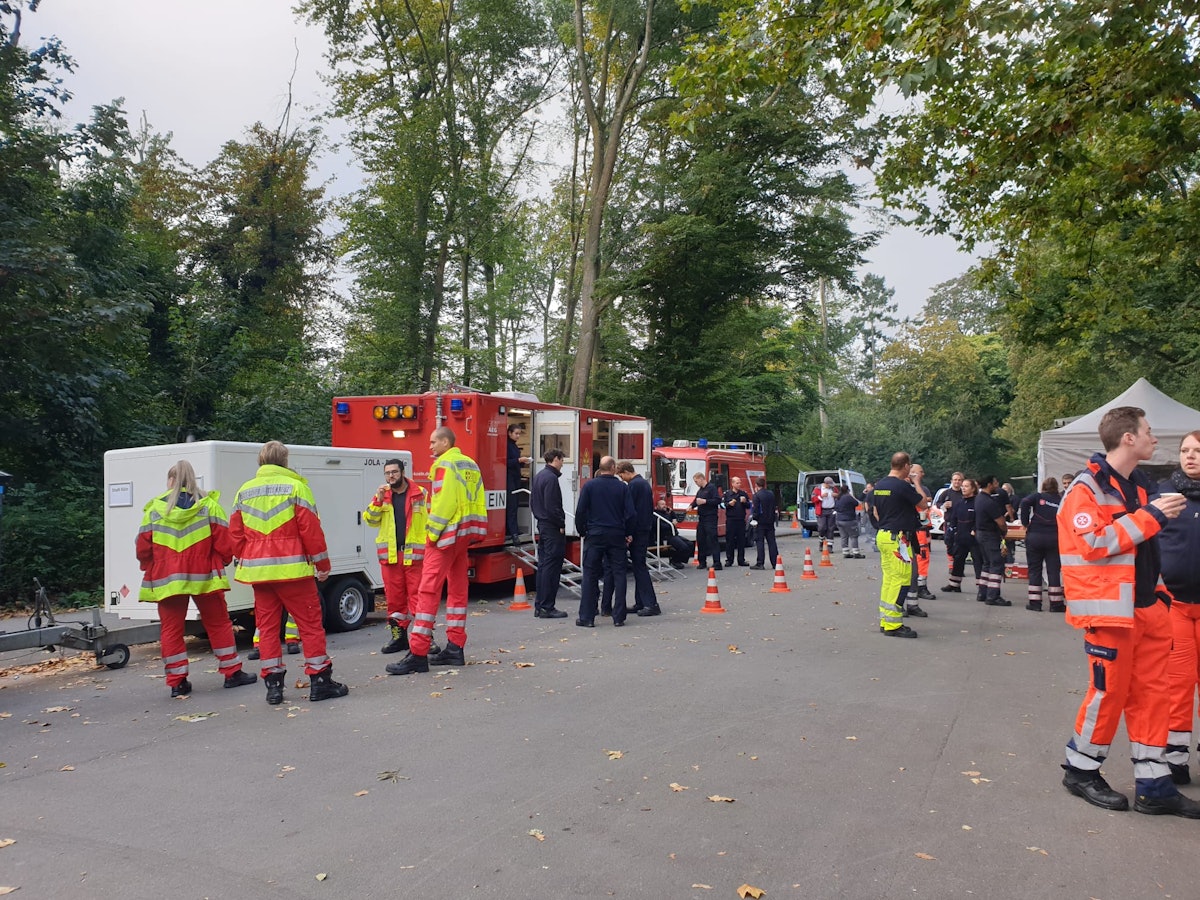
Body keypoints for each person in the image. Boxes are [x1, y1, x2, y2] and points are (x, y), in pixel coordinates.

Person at [1058, 406, 1200, 817]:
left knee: (1154, 696)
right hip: (1110, 615)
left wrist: (1160, 597)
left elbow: (1145, 552)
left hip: (1146, 609)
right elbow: (1094, 544)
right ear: (1129, 438)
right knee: (1109, 695)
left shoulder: (1137, 486)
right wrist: (1151, 515)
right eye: (1149, 431)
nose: (1155, 439)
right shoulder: (1086, 489)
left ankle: (1154, 785)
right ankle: (1080, 771)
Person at [230, 441, 348, 704]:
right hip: (293, 571)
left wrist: (249, 557)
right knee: (310, 626)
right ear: (284, 460)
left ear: (261, 461)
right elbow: (311, 532)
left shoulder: (243, 491)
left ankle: (273, 687)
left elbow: (236, 535)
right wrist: (323, 565)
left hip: (260, 574)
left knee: (267, 629)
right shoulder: (297, 487)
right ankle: (319, 681)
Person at [135, 461, 257, 699]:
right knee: (218, 624)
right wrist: (222, 561)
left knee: (171, 629)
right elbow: (225, 543)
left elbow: (142, 548)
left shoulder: (154, 510)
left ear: (170, 481)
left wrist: (151, 566)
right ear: (193, 480)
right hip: (205, 576)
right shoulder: (209, 506)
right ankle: (232, 673)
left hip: (168, 578)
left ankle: (177, 682)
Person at [386, 427, 488, 675]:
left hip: (445, 537)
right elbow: (477, 499)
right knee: (458, 590)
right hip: (464, 535)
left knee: (427, 590)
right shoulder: (470, 464)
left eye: (433, 442)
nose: (430, 446)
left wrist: (431, 535)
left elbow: (444, 504)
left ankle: (418, 652)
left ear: (445, 442)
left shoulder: (444, 465)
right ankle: (455, 647)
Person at [1159, 431, 1200, 784]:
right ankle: (1175, 758)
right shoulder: (1163, 494)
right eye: (1185, 450)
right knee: (1178, 683)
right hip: (1174, 605)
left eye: (1197, 451)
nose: (1190, 456)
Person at [364, 457, 429, 652]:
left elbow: (432, 520)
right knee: (394, 600)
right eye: (387, 473)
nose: (391, 476)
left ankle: (425, 639)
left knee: (419, 599)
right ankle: (398, 638)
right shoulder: (382, 496)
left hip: (414, 557)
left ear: (402, 473)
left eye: (394, 472)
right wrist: (377, 500)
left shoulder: (420, 493)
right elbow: (370, 520)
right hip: (391, 557)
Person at [574, 456, 635, 627]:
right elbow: (631, 513)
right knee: (619, 574)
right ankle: (619, 617)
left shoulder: (589, 486)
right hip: (616, 535)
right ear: (613, 467)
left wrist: (583, 531)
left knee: (590, 574)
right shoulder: (622, 488)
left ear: (600, 468)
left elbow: (580, 511)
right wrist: (628, 533)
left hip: (595, 534)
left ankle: (587, 617)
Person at [872, 452, 927, 637]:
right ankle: (893, 625)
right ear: (906, 466)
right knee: (901, 580)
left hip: (884, 535)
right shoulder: (902, 486)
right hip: (898, 539)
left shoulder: (880, 485)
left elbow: (875, 511)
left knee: (889, 579)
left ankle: (886, 620)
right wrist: (916, 482)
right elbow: (924, 504)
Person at [617, 460, 661, 616]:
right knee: (638, 566)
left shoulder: (634, 485)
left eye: (621, 476)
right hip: (644, 528)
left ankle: (650, 603)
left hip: (638, 530)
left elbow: (631, 511)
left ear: (626, 472)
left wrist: (628, 532)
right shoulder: (643, 483)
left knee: (640, 567)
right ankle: (641, 601)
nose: (622, 479)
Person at [529, 448, 569, 619]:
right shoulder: (551, 479)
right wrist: (561, 523)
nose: (563, 464)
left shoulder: (539, 476)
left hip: (543, 525)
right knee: (552, 567)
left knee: (544, 566)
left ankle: (540, 605)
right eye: (562, 460)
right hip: (552, 527)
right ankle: (547, 606)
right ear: (556, 459)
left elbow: (533, 502)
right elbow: (553, 505)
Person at [1019, 477, 1064, 613]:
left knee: (1034, 570)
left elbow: (1024, 502)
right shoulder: (1061, 500)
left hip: (1035, 536)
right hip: (1054, 538)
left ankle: (1035, 603)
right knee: (1053, 571)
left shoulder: (1037, 497)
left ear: (1043, 487)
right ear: (1056, 487)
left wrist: (1025, 522)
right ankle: (1056, 603)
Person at [974, 475, 1011, 606]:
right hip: (990, 535)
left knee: (986, 564)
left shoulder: (979, 498)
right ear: (989, 484)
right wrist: (1004, 531)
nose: (997, 485)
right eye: (995, 483)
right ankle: (993, 596)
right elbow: (1001, 522)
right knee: (996, 564)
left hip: (980, 534)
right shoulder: (989, 502)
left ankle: (982, 593)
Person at [942, 478, 982, 594]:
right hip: (960, 536)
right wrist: (951, 532)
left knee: (978, 561)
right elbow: (953, 519)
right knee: (958, 560)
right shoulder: (959, 502)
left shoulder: (977, 502)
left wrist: (975, 529)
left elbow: (980, 518)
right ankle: (954, 584)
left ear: (973, 489)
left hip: (973, 537)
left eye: (966, 486)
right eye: (963, 486)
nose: (963, 488)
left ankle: (982, 588)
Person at [908, 464, 936, 602]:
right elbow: (922, 504)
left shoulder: (922, 488)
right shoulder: (910, 489)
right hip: (916, 530)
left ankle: (919, 586)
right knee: (920, 558)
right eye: (920, 472)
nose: (923, 474)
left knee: (923, 558)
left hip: (923, 529)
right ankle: (920, 587)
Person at [688, 471, 722, 571]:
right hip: (702, 518)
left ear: (701, 479)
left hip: (710, 517)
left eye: (696, 481)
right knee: (701, 539)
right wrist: (691, 506)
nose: (696, 483)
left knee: (712, 539)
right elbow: (696, 500)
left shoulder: (711, 488)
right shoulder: (700, 490)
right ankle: (702, 561)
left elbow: (717, 500)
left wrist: (705, 501)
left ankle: (717, 563)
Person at [505, 424, 531, 544]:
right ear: (509, 433)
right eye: (516, 433)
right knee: (511, 505)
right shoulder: (506, 445)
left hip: (515, 478)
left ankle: (513, 529)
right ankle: (513, 532)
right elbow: (505, 462)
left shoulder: (514, 446)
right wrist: (518, 460)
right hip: (509, 479)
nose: (518, 436)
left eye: (519, 434)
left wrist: (523, 462)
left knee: (515, 505)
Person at [750, 477, 779, 570]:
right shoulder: (771, 494)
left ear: (756, 485)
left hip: (760, 522)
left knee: (760, 542)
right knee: (772, 542)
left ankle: (760, 563)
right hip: (770, 521)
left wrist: (754, 519)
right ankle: (775, 562)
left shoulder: (757, 496)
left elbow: (756, 510)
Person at [653, 500, 693, 568]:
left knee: (690, 544)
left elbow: (676, 519)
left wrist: (672, 512)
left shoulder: (667, 513)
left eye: (665, 504)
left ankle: (679, 560)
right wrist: (671, 524)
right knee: (683, 547)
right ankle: (675, 561)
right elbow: (661, 527)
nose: (664, 506)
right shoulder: (656, 515)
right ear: (657, 506)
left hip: (674, 534)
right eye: (662, 504)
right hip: (666, 536)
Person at [722, 476, 750, 567]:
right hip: (731, 520)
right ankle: (729, 560)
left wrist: (745, 502)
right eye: (737, 483)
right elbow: (722, 505)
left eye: (740, 482)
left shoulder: (743, 494)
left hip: (741, 520)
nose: (739, 484)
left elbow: (749, 506)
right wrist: (729, 504)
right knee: (730, 540)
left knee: (741, 540)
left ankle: (741, 560)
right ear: (733, 484)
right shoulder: (727, 494)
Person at [835, 484, 863, 558]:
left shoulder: (838, 498)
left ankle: (846, 552)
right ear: (848, 490)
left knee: (844, 536)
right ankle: (856, 553)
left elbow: (835, 507)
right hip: (849, 520)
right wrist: (852, 496)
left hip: (839, 519)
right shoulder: (848, 497)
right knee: (853, 536)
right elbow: (857, 503)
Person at [817, 476, 837, 545]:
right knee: (822, 527)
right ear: (826, 483)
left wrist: (836, 495)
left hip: (831, 510)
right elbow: (813, 498)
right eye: (829, 485)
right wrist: (821, 496)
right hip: (822, 511)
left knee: (831, 528)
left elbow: (839, 496)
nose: (831, 486)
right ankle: (821, 539)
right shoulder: (818, 489)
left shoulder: (834, 489)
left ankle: (830, 545)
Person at [860, 482, 878, 552]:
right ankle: (870, 538)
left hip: (872, 512)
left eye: (868, 487)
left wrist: (868, 511)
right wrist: (863, 493)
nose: (867, 489)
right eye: (866, 487)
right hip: (868, 512)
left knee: (873, 527)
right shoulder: (867, 494)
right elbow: (861, 499)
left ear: (872, 487)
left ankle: (874, 541)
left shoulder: (874, 494)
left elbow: (867, 503)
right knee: (867, 526)